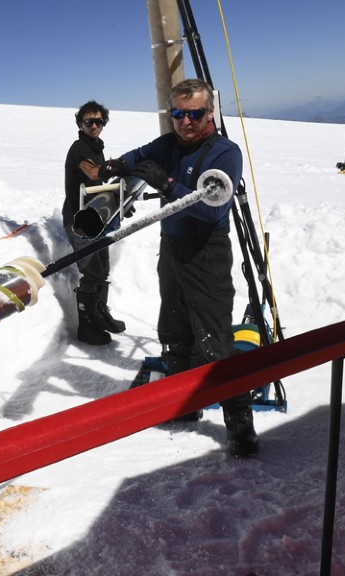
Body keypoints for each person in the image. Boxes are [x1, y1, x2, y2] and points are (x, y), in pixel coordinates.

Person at [100, 79, 259, 457]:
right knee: (174, 330)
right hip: (172, 247)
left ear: (210, 114)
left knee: (216, 342)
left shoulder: (225, 153)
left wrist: (168, 183)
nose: (186, 121)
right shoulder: (168, 143)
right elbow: (141, 154)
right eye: (178, 114)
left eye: (195, 114)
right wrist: (117, 165)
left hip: (206, 252)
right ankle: (185, 405)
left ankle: (240, 425)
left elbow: (212, 209)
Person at [62, 100, 126, 345]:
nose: (95, 125)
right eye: (89, 121)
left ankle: (100, 314)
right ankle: (87, 326)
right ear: (81, 124)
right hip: (80, 220)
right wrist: (116, 166)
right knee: (92, 272)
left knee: (103, 268)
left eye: (99, 121)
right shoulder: (80, 147)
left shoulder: (96, 146)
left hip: (96, 216)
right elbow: (92, 173)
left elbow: (98, 184)